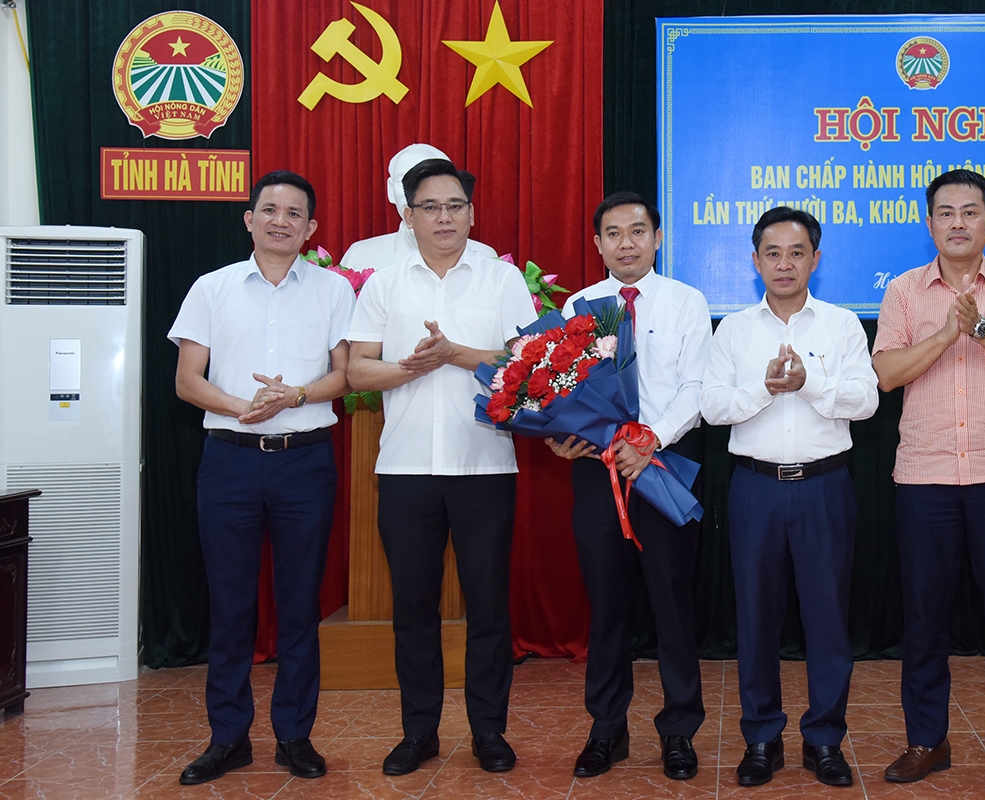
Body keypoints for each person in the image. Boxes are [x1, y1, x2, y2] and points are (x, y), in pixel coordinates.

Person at [346, 158, 537, 776]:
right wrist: (414, 365)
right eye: (429, 207)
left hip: (485, 466)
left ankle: (489, 732)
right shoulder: (384, 282)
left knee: (488, 607)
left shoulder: (500, 277)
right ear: (407, 214)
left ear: (471, 211)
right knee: (414, 609)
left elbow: (526, 362)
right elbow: (356, 371)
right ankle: (419, 732)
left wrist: (457, 355)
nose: (444, 217)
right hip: (405, 469)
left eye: (455, 205)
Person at [872, 169, 985, 790]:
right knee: (923, 619)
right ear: (928, 223)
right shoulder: (902, 292)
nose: (958, 222)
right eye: (945, 212)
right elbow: (888, 375)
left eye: (970, 212)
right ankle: (927, 740)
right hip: (924, 477)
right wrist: (947, 330)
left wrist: (980, 328)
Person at [168, 170, 355, 785]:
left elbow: (343, 377)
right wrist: (242, 408)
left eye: (294, 213)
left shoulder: (332, 291)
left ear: (311, 228)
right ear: (249, 219)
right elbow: (187, 380)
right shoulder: (211, 288)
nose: (281, 220)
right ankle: (228, 739)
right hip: (230, 462)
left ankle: (295, 737)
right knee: (230, 607)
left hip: (305, 462)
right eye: (269, 209)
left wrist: (292, 397)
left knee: (300, 605)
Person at [700, 207, 877, 787]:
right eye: (772, 253)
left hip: (825, 487)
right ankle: (761, 738)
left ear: (815, 260)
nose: (784, 263)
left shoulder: (842, 324)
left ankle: (825, 739)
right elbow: (713, 407)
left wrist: (809, 384)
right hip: (755, 489)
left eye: (796, 252)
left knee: (828, 620)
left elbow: (866, 401)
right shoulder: (734, 330)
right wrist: (766, 388)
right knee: (755, 618)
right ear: (754, 262)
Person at [547, 192, 711, 781]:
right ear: (597, 244)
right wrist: (559, 433)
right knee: (606, 605)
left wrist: (652, 441)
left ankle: (678, 731)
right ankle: (606, 730)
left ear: (658, 237)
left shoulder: (687, 302)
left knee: (672, 604)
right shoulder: (581, 305)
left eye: (638, 231)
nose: (626, 243)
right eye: (613, 234)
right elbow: (563, 389)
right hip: (600, 471)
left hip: (663, 465)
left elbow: (697, 387)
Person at [340, 143, 497, 272]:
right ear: (389, 190)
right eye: (406, 182)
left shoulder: (486, 259)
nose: (420, 193)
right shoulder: (360, 257)